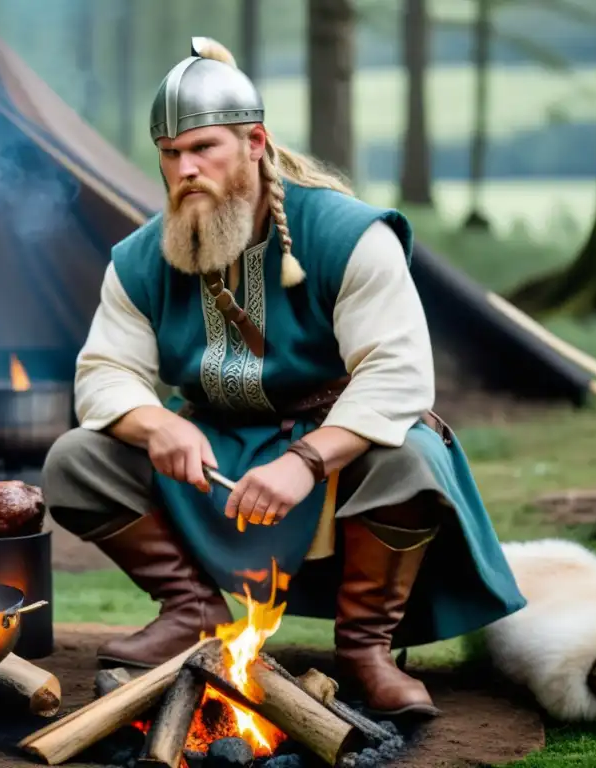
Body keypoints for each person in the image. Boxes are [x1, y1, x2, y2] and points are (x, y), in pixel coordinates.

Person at [41, 37, 526, 718]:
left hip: (337, 448)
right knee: (75, 459)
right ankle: (191, 612)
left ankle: (365, 650)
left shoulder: (349, 236)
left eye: (204, 147)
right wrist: (157, 424)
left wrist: (306, 460)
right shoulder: (141, 258)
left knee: (413, 457)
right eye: (171, 154)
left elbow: (398, 371)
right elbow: (103, 374)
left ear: (255, 142)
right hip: (216, 449)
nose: (186, 169)